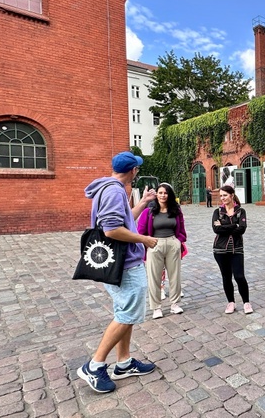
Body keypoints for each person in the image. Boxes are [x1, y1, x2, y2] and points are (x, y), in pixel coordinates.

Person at [77, 151, 158, 393]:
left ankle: (124, 363)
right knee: (127, 314)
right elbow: (112, 230)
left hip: (119, 263)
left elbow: (123, 221)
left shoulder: (108, 188)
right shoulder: (114, 191)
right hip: (125, 265)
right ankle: (94, 365)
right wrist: (144, 239)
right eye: (137, 168)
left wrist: (142, 203)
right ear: (133, 170)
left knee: (125, 312)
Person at [137, 183, 187, 319]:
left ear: (169, 195)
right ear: (156, 195)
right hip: (155, 245)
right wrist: (147, 242)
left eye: (165, 193)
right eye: (160, 193)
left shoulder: (175, 210)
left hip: (172, 243)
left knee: (175, 276)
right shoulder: (148, 212)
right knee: (154, 277)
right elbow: (140, 231)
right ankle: (156, 307)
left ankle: (174, 304)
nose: (163, 195)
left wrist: (178, 241)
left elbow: (182, 228)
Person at [212, 185, 253, 314]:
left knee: (239, 276)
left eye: (225, 195)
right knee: (226, 277)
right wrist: (234, 225)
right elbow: (216, 229)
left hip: (236, 248)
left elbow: (242, 229)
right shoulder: (217, 212)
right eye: (221, 196)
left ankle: (246, 302)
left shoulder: (240, 211)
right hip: (220, 250)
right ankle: (231, 302)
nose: (222, 198)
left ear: (232, 195)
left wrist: (224, 225)